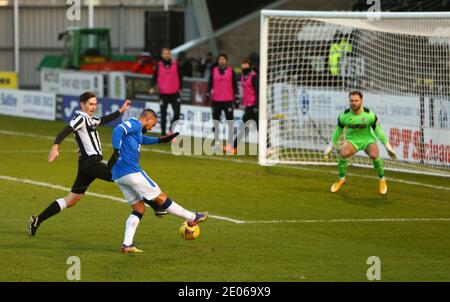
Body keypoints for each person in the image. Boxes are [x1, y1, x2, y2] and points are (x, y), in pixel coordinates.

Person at [27, 91, 132, 236]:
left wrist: (121, 110)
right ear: (82, 105)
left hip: (85, 166)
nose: (93, 107)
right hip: (91, 163)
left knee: (71, 200)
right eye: (90, 104)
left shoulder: (90, 119)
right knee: (122, 173)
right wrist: (56, 145)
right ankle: (154, 203)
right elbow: (65, 131)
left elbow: (103, 120)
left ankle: (37, 220)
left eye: (95, 104)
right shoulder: (80, 118)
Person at [108, 109, 208, 253]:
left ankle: (127, 245)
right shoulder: (135, 123)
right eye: (152, 124)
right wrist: (116, 150)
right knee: (160, 196)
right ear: (147, 119)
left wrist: (161, 140)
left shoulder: (136, 132)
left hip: (118, 175)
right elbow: (118, 129)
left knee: (139, 209)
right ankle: (193, 217)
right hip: (131, 171)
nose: (151, 128)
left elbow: (142, 139)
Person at [324, 91, 397, 194]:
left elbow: (378, 131)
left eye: (356, 100)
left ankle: (382, 180)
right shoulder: (344, 116)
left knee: (374, 155)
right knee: (343, 154)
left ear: (361, 101)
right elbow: (338, 131)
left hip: (367, 139)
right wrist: (330, 146)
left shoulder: (369, 115)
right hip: (352, 140)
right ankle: (341, 180)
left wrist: (387, 146)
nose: (353, 103)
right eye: (351, 100)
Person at [206, 53, 239, 151]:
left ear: (226, 61)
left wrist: (236, 97)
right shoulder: (214, 71)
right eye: (220, 59)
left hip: (228, 100)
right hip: (216, 100)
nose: (221, 61)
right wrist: (207, 95)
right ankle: (216, 142)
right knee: (216, 122)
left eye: (223, 59)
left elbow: (235, 85)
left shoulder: (231, 71)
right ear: (218, 61)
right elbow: (209, 84)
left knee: (230, 123)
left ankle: (230, 143)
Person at [228, 58, 259, 154]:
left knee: (258, 127)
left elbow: (258, 91)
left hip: (254, 106)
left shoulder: (253, 77)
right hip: (248, 106)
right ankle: (233, 146)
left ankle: (269, 148)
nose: (244, 66)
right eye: (243, 64)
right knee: (244, 127)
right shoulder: (243, 77)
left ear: (249, 66)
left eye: (246, 64)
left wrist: (257, 106)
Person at [149, 47, 182, 136]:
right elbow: (154, 77)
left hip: (175, 93)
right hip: (163, 93)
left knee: (177, 113)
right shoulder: (159, 66)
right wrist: (152, 87)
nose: (166, 55)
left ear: (170, 54)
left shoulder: (176, 64)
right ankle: (163, 134)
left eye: (168, 53)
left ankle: (171, 130)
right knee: (163, 114)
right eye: (165, 53)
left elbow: (180, 76)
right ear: (162, 55)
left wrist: (180, 88)